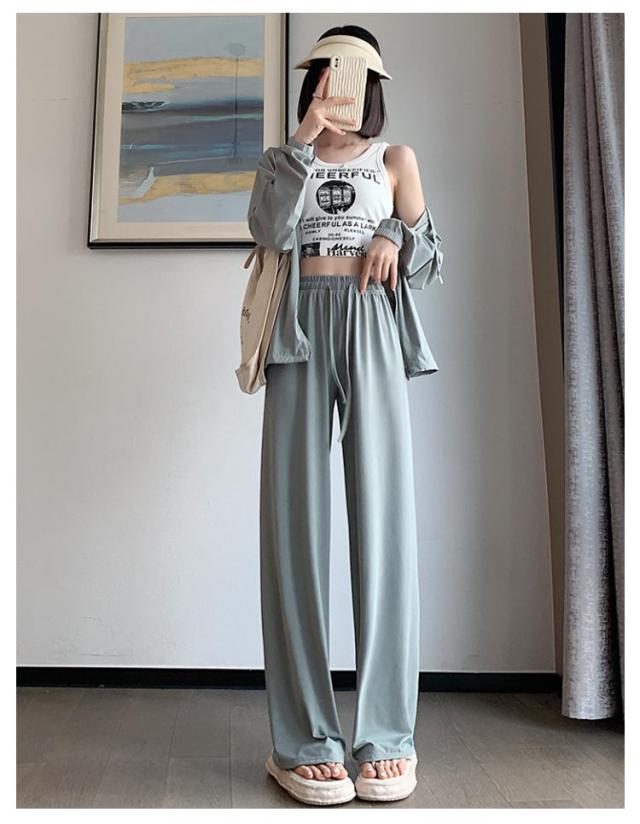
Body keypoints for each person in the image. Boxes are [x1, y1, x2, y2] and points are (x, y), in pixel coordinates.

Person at [247, 25, 444, 805]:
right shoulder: (283, 160)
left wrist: (394, 229)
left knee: (385, 527)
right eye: (331, 74)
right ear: (314, 82)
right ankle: (302, 741)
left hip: (371, 325)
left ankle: (386, 736)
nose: (343, 88)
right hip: (298, 330)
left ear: (375, 87)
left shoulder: (395, 160)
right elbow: (267, 232)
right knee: (294, 528)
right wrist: (302, 138)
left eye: (358, 76)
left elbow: (429, 263)